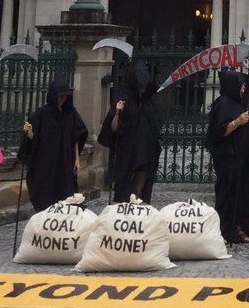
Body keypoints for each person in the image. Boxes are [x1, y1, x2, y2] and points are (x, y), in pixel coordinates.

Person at [205, 68, 249, 244]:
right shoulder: (222, 104)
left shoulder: (239, 103)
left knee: (243, 192)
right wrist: (237, 122)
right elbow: (217, 131)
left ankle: (239, 227)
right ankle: (224, 231)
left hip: (243, 158)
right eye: (241, 84)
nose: (244, 88)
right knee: (228, 194)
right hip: (228, 158)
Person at [17, 73, 88, 211]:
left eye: (65, 96)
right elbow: (34, 139)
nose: (62, 99)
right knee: (45, 194)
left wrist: (77, 160)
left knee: (66, 193)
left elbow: (75, 137)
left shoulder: (71, 113)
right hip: (47, 163)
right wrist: (30, 132)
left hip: (65, 161)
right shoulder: (42, 114)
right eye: (60, 96)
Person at [98, 59, 163, 203]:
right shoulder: (123, 101)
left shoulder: (149, 103)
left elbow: (156, 125)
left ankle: (138, 207)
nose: (143, 88)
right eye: (141, 85)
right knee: (125, 186)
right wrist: (117, 112)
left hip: (145, 151)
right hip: (128, 151)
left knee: (141, 183)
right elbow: (114, 128)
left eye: (145, 85)